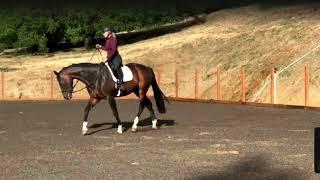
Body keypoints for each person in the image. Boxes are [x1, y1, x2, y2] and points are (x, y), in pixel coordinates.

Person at [96, 27, 125, 91]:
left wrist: (107, 58)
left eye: (104, 32)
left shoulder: (113, 39)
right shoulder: (108, 40)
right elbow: (107, 49)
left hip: (116, 58)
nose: (103, 34)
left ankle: (121, 82)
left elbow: (113, 50)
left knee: (115, 68)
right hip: (110, 58)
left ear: (108, 32)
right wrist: (100, 47)